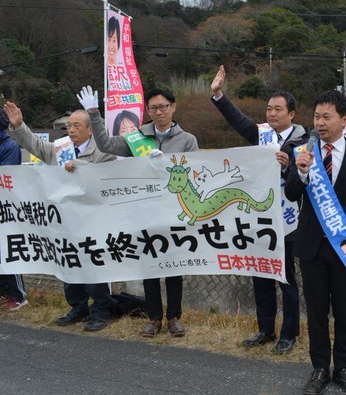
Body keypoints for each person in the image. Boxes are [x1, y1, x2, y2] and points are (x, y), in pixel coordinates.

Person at [77, 86, 199, 338]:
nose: (158, 112)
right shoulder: (137, 138)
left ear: (173, 108)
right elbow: (106, 144)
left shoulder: (187, 139)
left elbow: (195, 175)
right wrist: (93, 113)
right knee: (150, 267)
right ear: (147, 110)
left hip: (174, 212)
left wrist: (164, 163)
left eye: (163, 107)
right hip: (145, 210)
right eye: (153, 108)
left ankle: (174, 317)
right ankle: (154, 318)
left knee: (174, 267)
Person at [211, 65, 305, 354]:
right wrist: (218, 95)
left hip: (288, 221)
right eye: (268, 109)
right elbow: (239, 121)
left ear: (291, 114)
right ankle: (265, 329)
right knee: (261, 275)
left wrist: (289, 166)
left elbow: (305, 181)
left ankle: (288, 334)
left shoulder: (303, 141)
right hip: (259, 219)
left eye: (278, 109)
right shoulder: (261, 134)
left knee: (286, 278)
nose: (271, 113)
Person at [286, 90, 346, 395]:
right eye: (316, 116)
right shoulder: (303, 151)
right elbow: (291, 193)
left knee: (345, 311)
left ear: (344, 120)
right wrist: (303, 171)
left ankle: (344, 369)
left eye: (327, 117)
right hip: (311, 246)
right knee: (317, 310)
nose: (319, 122)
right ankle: (320, 368)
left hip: (345, 246)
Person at [3, 102, 117, 331]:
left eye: (76, 125)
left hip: (91, 219)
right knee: (68, 263)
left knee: (94, 264)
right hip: (64, 219)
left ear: (90, 129)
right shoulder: (60, 147)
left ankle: (102, 311)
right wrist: (19, 125)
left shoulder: (103, 152)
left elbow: (107, 177)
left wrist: (80, 165)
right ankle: (78, 307)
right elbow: (35, 145)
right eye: (68, 125)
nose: (71, 129)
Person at [0, 107, 28, 311]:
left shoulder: (8, 145)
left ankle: (18, 295)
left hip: (5, 208)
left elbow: (7, 177)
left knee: (8, 251)